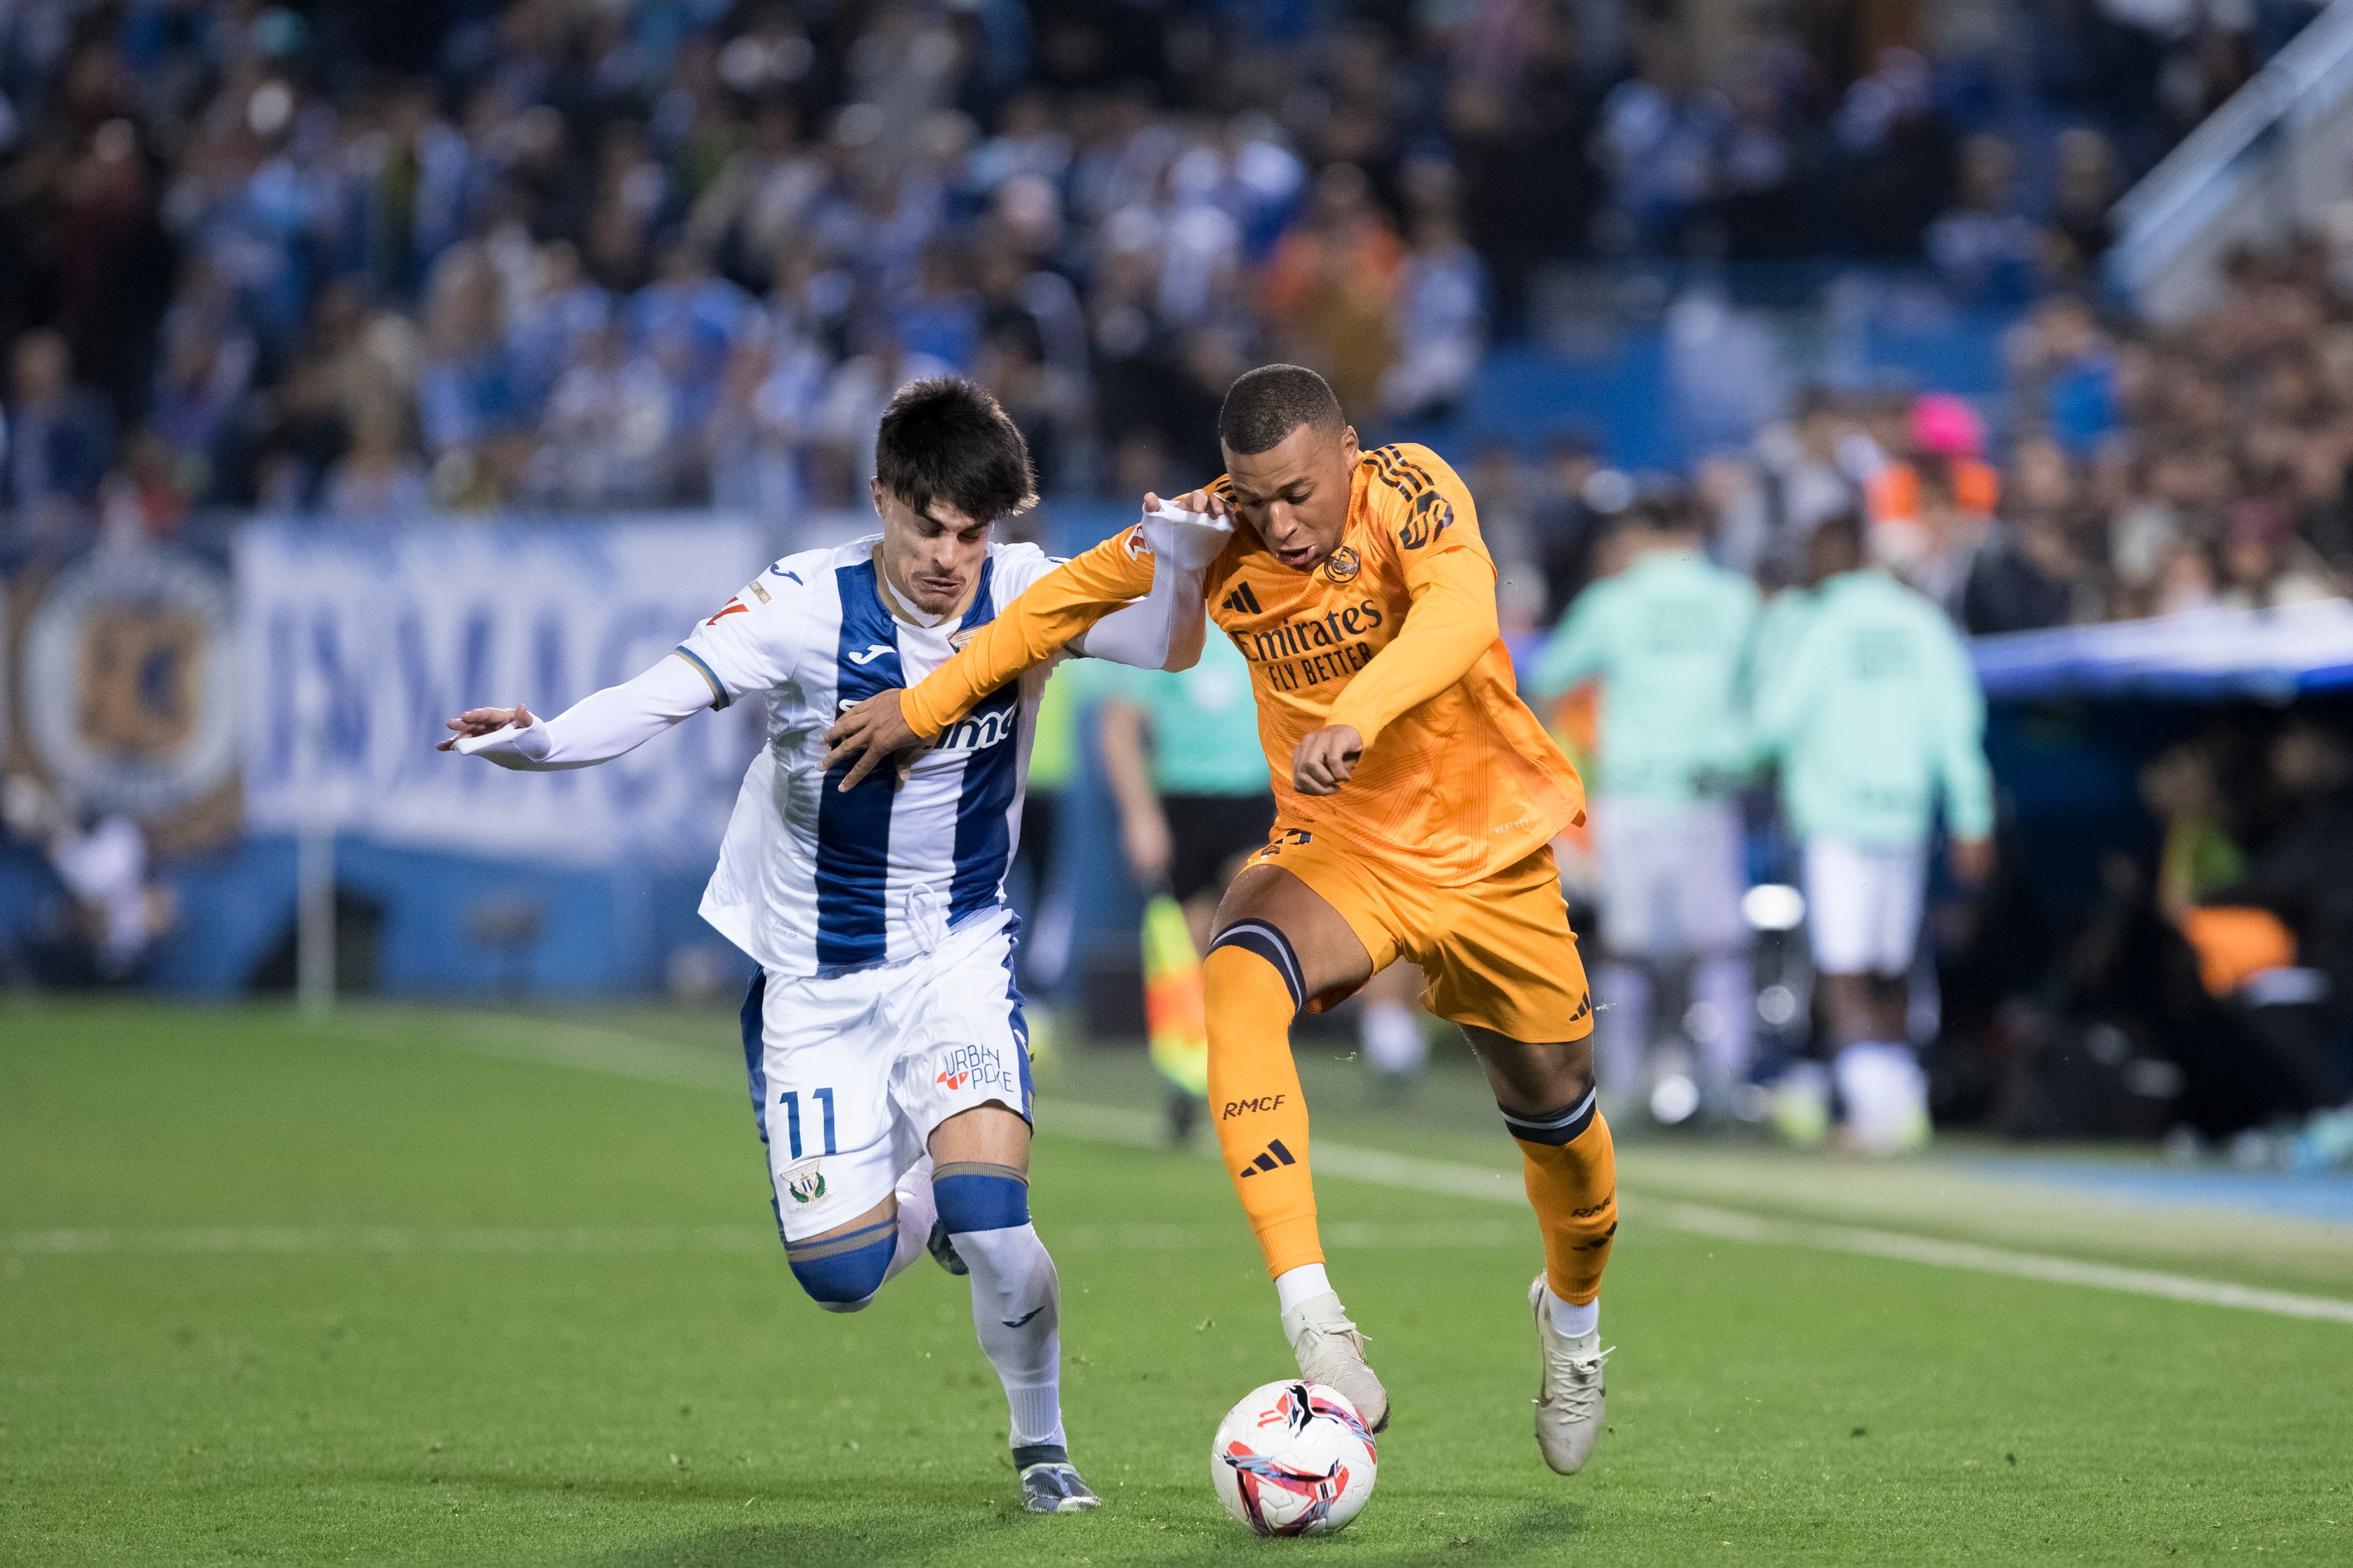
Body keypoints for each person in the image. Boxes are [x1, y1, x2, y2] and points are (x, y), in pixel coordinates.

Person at [438, 378, 1231, 1513]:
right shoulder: (802, 605)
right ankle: (927, 1198)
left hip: (956, 949)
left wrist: (1187, 563)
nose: (953, 557)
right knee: (844, 1276)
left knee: (999, 1227)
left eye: (974, 532)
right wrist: (541, 739)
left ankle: (1042, 1444)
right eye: (929, 527)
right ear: (881, 501)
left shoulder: (1024, 588)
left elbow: (1166, 643)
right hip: (815, 975)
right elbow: (657, 698)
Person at [828, 365, 1618, 1476]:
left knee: (1562, 1128)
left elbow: (1460, 613)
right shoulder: (1214, 531)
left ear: (1348, 448)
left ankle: (1572, 1322)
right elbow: (1056, 604)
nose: (1279, 524)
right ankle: (1316, 1324)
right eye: (1257, 499)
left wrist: (1355, 710)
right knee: (1233, 979)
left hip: (1490, 857)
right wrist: (921, 707)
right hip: (1342, 849)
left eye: (1298, 492)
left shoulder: (1415, 490)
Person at [1755, 515, 1993, 1154]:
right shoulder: (1921, 622)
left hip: (1835, 819)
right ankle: (1900, 1099)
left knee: (1842, 967)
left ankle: (1869, 1106)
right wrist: (1972, 817)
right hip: (1904, 816)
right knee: (1892, 963)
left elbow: (1775, 719)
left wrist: (1723, 756)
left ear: (1830, 554)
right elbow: (1955, 724)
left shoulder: (1813, 621)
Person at [1526, 489, 1760, 1122]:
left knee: (1628, 949)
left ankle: (1624, 1087)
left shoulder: (1616, 601)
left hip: (1629, 797)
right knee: (1717, 949)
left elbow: (1549, 675)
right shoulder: (1736, 602)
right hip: (1708, 793)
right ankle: (1723, 1084)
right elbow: (1761, 695)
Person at [1096, 624, 1276, 1132]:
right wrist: (1139, 816)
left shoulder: (1264, 618)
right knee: (1191, 947)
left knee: (1248, 940)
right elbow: (1119, 728)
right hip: (1183, 801)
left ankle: (1251, 1081)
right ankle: (1189, 1074)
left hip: (1250, 801)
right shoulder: (1164, 628)